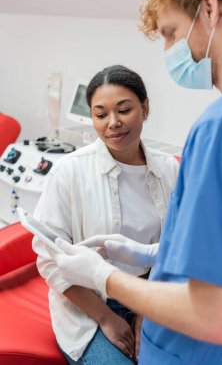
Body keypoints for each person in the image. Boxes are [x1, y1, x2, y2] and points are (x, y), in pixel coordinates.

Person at [49, 0, 222, 364]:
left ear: (208, 8)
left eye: (171, 33)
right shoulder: (69, 171)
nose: (170, 52)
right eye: (100, 112)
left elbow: (212, 312)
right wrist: (154, 254)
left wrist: (104, 275)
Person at [32, 64, 179, 364]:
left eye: (124, 110)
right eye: (100, 114)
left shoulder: (169, 170)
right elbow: (50, 261)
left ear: (145, 108)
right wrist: (106, 318)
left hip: (154, 299)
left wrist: (143, 309)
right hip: (90, 308)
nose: (113, 123)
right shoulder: (68, 172)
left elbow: (176, 249)